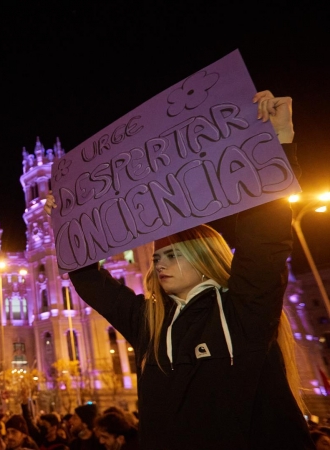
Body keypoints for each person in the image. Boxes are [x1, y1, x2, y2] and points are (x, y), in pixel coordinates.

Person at [52, 92, 313, 448]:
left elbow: (264, 236)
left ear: (205, 255)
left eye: (172, 255)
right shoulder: (152, 324)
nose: (159, 263)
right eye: (157, 257)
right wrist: (69, 223)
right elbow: (89, 281)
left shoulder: (244, 309)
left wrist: (278, 141)